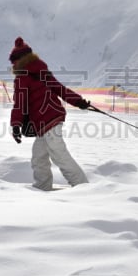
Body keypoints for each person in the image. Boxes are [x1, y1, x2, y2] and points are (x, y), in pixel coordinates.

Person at [8, 36, 90, 190]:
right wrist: (79, 101)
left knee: (59, 154)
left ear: (18, 61)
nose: (13, 65)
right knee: (39, 157)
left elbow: (20, 104)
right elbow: (60, 89)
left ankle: (83, 188)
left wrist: (15, 126)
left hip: (47, 121)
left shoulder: (22, 78)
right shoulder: (42, 71)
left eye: (13, 62)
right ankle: (42, 187)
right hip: (50, 119)